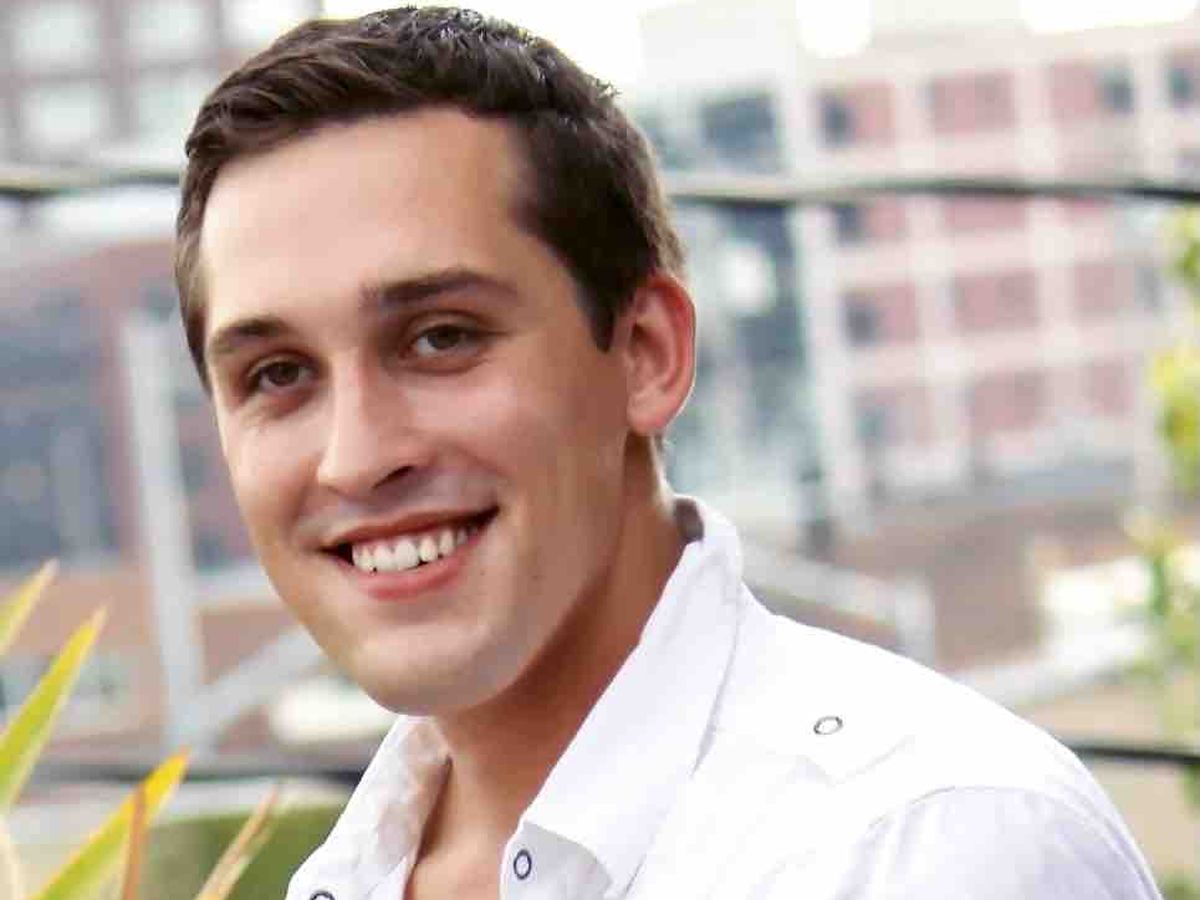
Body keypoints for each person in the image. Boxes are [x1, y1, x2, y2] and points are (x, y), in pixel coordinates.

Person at [175, 7, 1162, 899]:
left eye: (441, 338)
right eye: (276, 374)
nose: (355, 458)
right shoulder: (341, 879)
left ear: (646, 354)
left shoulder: (926, 848)